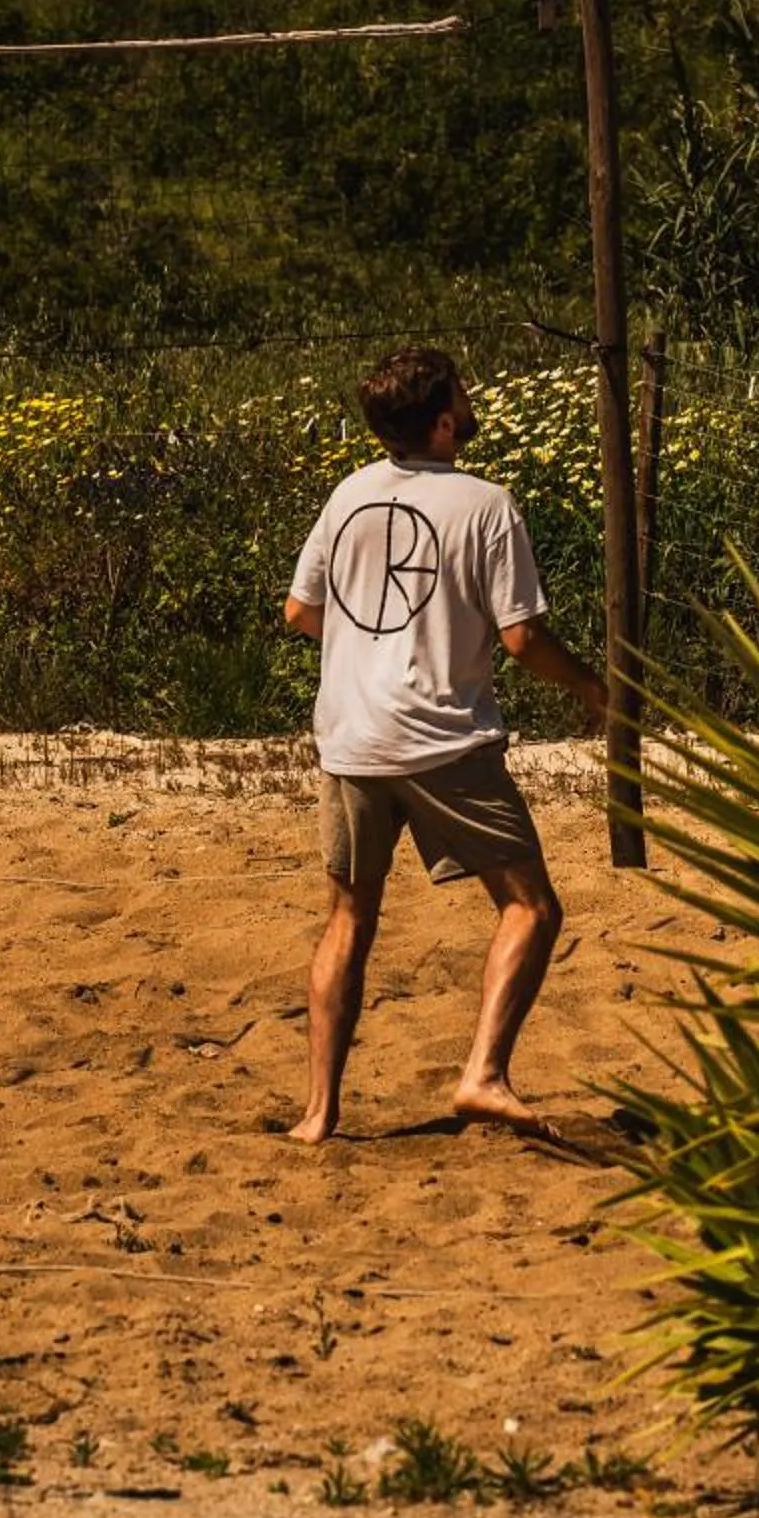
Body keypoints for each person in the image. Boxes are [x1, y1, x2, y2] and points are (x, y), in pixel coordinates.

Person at [280, 346, 608, 1144]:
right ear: (440, 420)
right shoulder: (486, 503)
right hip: (442, 737)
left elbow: (301, 611)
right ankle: (482, 1074)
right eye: (462, 391)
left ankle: (319, 1113)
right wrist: (596, 691)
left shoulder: (349, 494)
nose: (472, 399)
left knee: (349, 918)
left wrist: (369, 650)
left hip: (352, 738)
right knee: (531, 906)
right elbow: (523, 637)